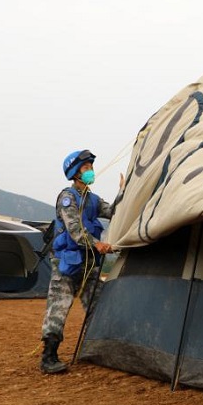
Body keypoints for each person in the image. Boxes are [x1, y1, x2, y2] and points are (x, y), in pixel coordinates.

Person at [39, 149, 118, 375]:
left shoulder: (93, 199)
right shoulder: (67, 198)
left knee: (98, 303)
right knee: (59, 306)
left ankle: (97, 347)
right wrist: (97, 244)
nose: (90, 171)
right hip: (65, 263)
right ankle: (49, 357)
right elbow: (75, 230)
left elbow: (113, 211)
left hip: (87, 264)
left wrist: (125, 192)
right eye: (86, 168)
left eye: (91, 167)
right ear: (74, 173)